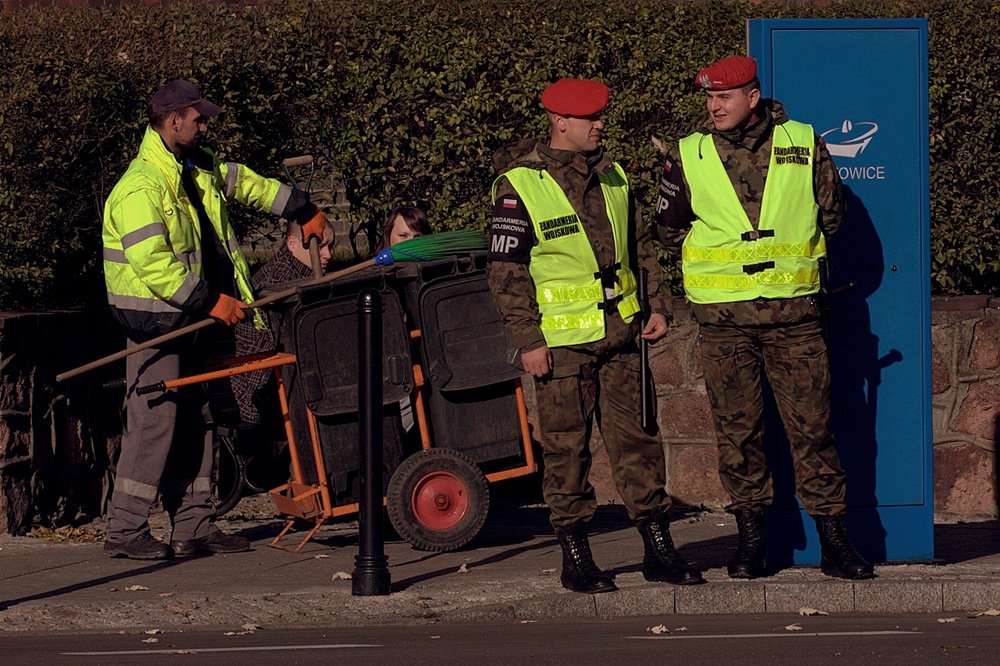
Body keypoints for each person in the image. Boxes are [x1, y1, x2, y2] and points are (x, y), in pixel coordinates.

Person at [654, 55, 875, 580]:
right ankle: (751, 542)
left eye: (723, 97)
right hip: (724, 325)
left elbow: (832, 214)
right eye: (708, 98)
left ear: (753, 98)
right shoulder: (690, 153)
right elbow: (666, 227)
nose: (713, 107)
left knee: (813, 431)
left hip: (794, 319)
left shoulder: (803, 140)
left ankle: (835, 544)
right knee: (737, 434)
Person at [487, 78, 704, 594]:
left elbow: (639, 248)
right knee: (567, 453)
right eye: (591, 119)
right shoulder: (519, 185)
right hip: (562, 348)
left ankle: (657, 550)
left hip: (623, 337)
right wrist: (528, 339)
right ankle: (577, 558)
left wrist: (657, 306)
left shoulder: (613, 175)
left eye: (600, 117)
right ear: (561, 122)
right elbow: (506, 272)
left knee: (640, 446)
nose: (600, 124)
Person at [102, 79, 328, 560]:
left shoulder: (196, 166)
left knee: (200, 419)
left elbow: (247, 184)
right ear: (172, 120)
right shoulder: (140, 187)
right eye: (198, 118)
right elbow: (155, 266)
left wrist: (303, 210)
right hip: (157, 329)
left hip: (193, 321)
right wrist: (211, 302)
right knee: (153, 425)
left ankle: (194, 524)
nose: (205, 124)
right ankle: (124, 531)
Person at [231, 218, 336, 427]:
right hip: (266, 395)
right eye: (319, 246)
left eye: (331, 246)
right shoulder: (279, 283)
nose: (328, 255)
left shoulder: (299, 273)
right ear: (292, 244)